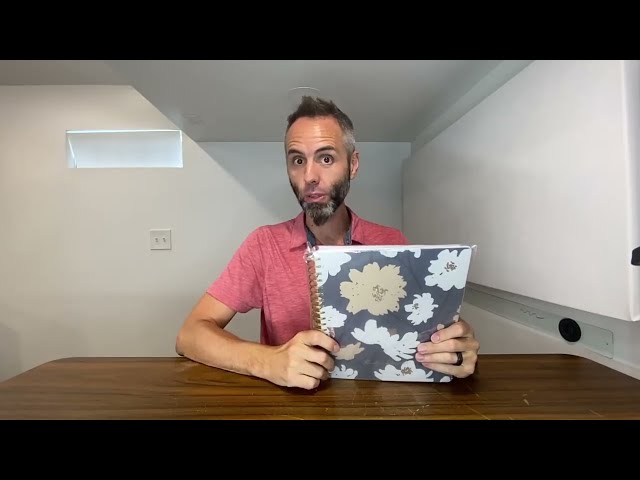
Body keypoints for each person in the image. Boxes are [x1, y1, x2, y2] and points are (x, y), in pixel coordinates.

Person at [175, 95, 480, 390]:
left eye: (326, 158)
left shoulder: (392, 242)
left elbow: (421, 331)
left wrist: (452, 351)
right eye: (297, 160)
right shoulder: (264, 245)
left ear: (353, 165)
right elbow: (189, 335)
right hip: (290, 406)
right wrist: (267, 361)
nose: (309, 175)